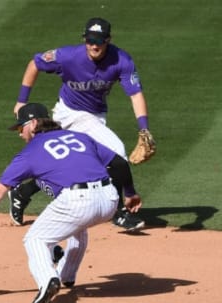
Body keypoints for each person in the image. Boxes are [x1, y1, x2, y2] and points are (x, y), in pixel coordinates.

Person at [0, 103, 142, 303]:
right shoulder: (79, 136)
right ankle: (67, 274)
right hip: (109, 200)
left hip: (79, 201)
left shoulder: (29, 153)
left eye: (21, 127)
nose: (20, 134)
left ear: (34, 123)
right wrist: (129, 193)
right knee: (78, 226)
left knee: (35, 239)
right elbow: (118, 164)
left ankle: (47, 279)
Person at [8, 17, 155, 231]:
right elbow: (35, 63)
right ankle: (119, 212)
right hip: (69, 113)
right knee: (116, 154)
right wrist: (22, 100)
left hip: (95, 116)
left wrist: (144, 127)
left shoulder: (121, 60)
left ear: (108, 40)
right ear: (85, 39)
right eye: (90, 40)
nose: (94, 45)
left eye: (100, 40)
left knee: (73, 165)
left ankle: (22, 192)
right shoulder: (68, 56)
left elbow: (135, 95)